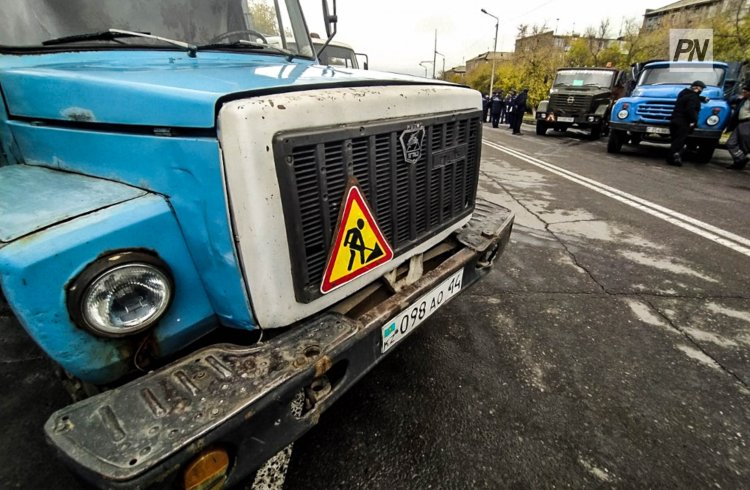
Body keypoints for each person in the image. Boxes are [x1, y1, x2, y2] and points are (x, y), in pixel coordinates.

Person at [667, 80, 705, 166]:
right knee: (680, 141)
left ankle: (671, 157)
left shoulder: (683, 94)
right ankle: (673, 158)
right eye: (700, 88)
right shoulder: (693, 98)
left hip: (674, 120)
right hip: (683, 122)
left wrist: (701, 98)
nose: (701, 90)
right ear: (696, 88)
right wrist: (694, 120)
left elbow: (689, 97)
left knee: (675, 140)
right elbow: (690, 110)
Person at [726, 83, 750, 170]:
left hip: (748, 123)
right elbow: (730, 100)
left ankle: (738, 163)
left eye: (746, 91)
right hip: (740, 123)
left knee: (744, 145)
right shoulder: (743, 99)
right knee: (730, 143)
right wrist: (738, 97)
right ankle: (741, 159)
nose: (744, 91)